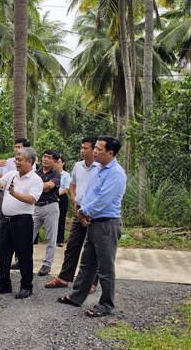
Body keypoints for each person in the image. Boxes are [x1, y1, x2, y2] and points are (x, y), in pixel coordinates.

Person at [57, 136, 127, 318]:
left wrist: (83, 211)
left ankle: (105, 305)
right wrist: (81, 211)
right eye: (94, 148)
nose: (94, 151)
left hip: (106, 224)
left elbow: (103, 200)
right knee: (87, 263)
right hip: (93, 221)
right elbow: (88, 192)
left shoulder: (116, 173)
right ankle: (76, 297)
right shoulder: (98, 169)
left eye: (99, 149)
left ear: (110, 153)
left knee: (105, 268)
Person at [0, 147, 43, 299]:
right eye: (16, 159)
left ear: (30, 161)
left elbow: (32, 199)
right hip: (6, 221)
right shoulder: (12, 175)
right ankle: (4, 284)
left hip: (23, 222)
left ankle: (26, 286)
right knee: (3, 254)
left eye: (20, 160)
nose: (16, 162)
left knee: (24, 255)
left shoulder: (36, 179)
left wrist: (14, 193)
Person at [46, 137, 101, 292]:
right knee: (72, 246)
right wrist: (76, 206)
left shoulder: (100, 167)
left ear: (94, 149)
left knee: (93, 249)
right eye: (81, 147)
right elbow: (73, 185)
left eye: (86, 148)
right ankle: (64, 277)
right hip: (79, 211)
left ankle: (92, 281)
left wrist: (87, 212)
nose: (82, 150)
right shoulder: (78, 166)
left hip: (94, 214)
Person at [0, 138, 33, 266]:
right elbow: (1, 181)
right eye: (15, 147)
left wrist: (15, 190)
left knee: (21, 239)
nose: (16, 150)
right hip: (8, 202)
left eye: (19, 147)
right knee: (1, 232)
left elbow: (31, 189)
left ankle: (18, 259)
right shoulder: (9, 163)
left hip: (22, 210)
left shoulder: (32, 164)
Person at [26, 149, 61, 277]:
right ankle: (23, 260)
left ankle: (47, 264)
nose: (46, 159)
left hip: (50, 207)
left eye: (50, 158)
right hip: (35, 207)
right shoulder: (35, 173)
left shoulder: (56, 174)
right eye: (45, 156)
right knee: (28, 235)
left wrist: (35, 186)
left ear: (55, 162)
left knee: (51, 237)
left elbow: (48, 187)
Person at [55, 156, 70, 247]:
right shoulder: (52, 173)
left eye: (59, 162)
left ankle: (60, 240)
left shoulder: (66, 175)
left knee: (61, 219)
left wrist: (57, 194)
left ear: (63, 163)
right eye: (56, 162)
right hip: (52, 198)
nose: (57, 164)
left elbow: (66, 187)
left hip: (62, 198)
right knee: (53, 220)